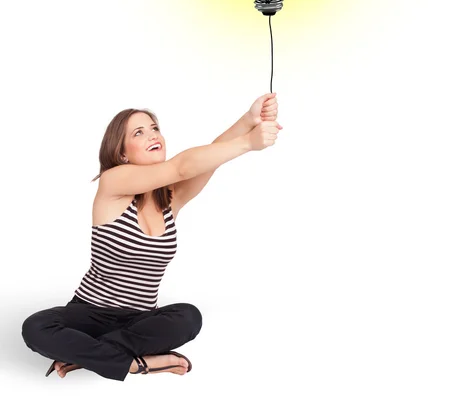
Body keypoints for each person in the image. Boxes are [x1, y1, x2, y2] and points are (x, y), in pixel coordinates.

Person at [21, 93, 282, 381]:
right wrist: (248, 142)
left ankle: (88, 357)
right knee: (35, 327)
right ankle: (137, 364)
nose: (152, 135)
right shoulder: (113, 182)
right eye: (139, 132)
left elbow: (210, 158)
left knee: (189, 316)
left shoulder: (172, 198)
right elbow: (182, 166)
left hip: (140, 319)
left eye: (154, 128)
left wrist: (248, 120)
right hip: (89, 312)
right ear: (122, 154)